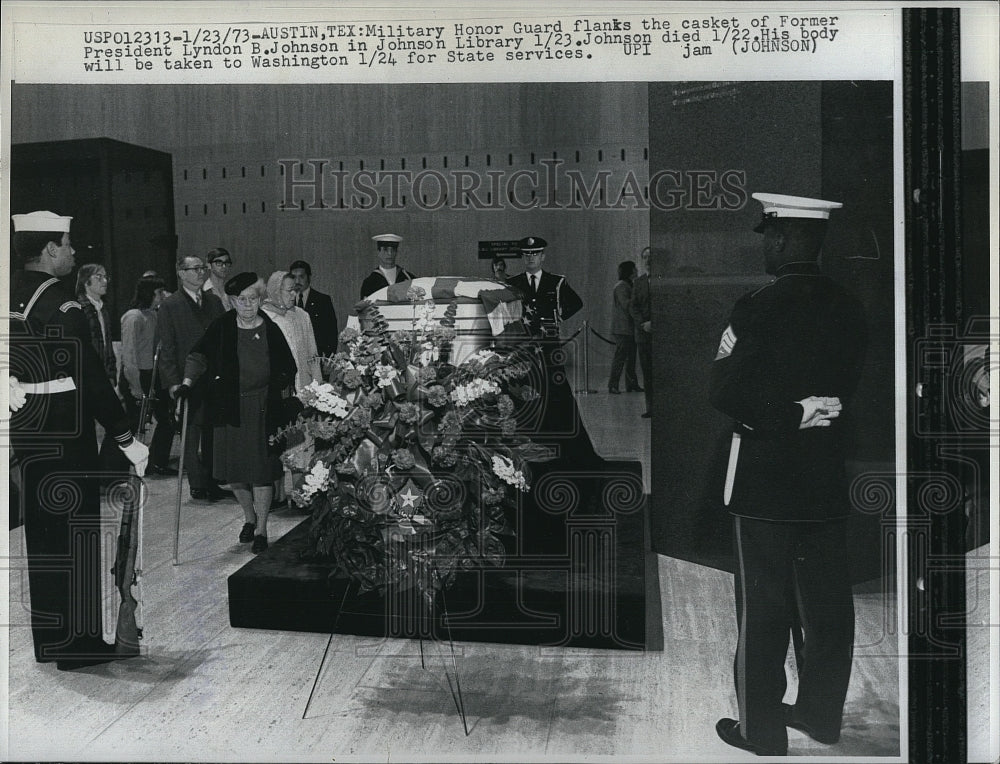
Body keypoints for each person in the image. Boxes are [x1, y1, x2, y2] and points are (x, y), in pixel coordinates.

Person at [709, 193, 868, 757]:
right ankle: (822, 719)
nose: (769, 246)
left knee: (764, 606)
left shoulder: (758, 306)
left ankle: (761, 731)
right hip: (825, 476)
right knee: (827, 606)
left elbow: (724, 391)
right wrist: (815, 411)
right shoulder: (849, 304)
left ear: (791, 240)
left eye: (773, 236)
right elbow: (849, 390)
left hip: (766, 479)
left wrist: (791, 413)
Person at [8, 210, 148, 671]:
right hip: (64, 432)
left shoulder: (9, 294)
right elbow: (88, 378)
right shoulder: (62, 306)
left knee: (43, 538)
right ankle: (80, 646)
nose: (72, 252)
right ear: (49, 251)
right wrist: (126, 435)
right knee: (77, 537)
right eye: (68, 244)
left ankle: (50, 641)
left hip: (26, 428)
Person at [175, 273, 298, 553]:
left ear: (259, 300)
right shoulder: (221, 327)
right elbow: (198, 356)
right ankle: (249, 517)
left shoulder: (270, 328)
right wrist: (186, 384)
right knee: (235, 472)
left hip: (262, 409)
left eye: (252, 299)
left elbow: (287, 366)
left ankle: (262, 529)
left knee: (262, 471)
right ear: (232, 301)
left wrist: (278, 389)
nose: (247, 305)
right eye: (241, 300)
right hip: (228, 407)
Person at [158, 254, 231, 502]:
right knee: (191, 432)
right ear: (181, 273)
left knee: (212, 429)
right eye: (195, 269)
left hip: (213, 377)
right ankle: (197, 484)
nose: (201, 272)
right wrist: (173, 383)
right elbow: (166, 347)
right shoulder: (170, 305)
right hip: (186, 378)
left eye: (203, 268)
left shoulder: (214, 301)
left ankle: (211, 479)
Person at [261, 270, 322, 510]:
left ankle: (300, 495)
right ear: (276, 290)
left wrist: (317, 388)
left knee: (302, 444)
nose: (295, 296)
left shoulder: (302, 316)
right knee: (275, 444)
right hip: (277, 393)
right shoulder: (264, 317)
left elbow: (313, 354)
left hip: (302, 390)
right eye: (289, 291)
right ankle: (276, 495)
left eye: (297, 291)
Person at [120, 275, 177, 476]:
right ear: (150, 294)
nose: (162, 296)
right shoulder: (133, 317)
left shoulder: (154, 315)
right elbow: (129, 354)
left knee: (167, 419)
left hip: (153, 374)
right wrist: (135, 385)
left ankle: (156, 462)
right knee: (130, 423)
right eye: (159, 292)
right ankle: (112, 468)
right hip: (136, 374)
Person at [506, 236, 583, 337]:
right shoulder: (512, 283)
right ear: (523, 257)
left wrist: (558, 318)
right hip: (522, 338)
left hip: (548, 337)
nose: (531, 258)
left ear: (542, 257)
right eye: (527, 255)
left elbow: (577, 303)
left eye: (535, 254)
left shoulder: (556, 281)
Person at [76, 263, 117, 385]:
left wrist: (111, 373)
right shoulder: (79, 308)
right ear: (85, 281)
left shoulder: (103, 309)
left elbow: (107, 344)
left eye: (105, 277)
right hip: (87, 377)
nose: (104, 281)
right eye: (98, 277)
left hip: (104, 374)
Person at [288, 259, 338, 358]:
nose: (297, 281)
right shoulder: (287, 301)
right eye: (293, 277)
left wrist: (327, 359)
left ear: (309, 277)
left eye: (301, 277)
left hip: (316, 358)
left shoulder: (322, 300)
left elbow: (331, 333)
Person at [608, 259, 642, 395]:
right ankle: (613, 385)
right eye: (634, 269)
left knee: (631, 358)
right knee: (620, 357)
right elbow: (627, 305)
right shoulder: (622, 286)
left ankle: (632, 384)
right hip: (623, 329)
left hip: (629, 328)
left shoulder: (628, 285)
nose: (637, 271)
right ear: (630, 271)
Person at [629, 247, 653, 417]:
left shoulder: (665, 279)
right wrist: (643, 324)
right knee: (648, 373)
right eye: (645, 257)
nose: (648, 261)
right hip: (644, 335)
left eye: (651, 257)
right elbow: (633, 306)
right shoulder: (638, 282)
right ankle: (651, 408)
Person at [360, 233, 417, 298]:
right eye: (385, 249)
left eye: (393, 250)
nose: (390, 253)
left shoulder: (409, 278)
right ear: (378, 252)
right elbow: (365, 307)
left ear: (396, 252)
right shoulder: (369, 283)